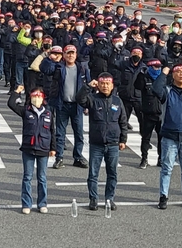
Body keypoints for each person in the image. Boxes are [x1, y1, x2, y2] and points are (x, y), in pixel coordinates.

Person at [76, 73, 128, 212]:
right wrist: (87, 87)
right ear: (98, 84)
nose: (105, 86)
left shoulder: (117, 101)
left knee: (112, 173)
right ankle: (93, 199)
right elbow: (79, 99)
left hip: (113, 143)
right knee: (93, 173)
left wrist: (123, 139)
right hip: (96, 143)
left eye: (107, 83)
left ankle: (109, 198)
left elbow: (123, 121)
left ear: (112, 85)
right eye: (102, 83)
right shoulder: (92, 99)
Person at [152, 64, 182, 210]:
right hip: (169, 136)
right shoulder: (167, 91)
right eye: (178, 72)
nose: (181, 74)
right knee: (166, 168)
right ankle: (163, 196)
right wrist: (163, 73)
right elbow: (155, 89)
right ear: (173, 75)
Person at [39, 44, 90, 169]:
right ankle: (59, 158)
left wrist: (88, 104)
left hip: (77, 106)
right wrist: (50, 58)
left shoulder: (82, 68)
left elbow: (88, 87)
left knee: (79, 134)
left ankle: (78, 157)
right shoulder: (58, 67)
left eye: (73, 53)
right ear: (64, 55)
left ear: (76, 54)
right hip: (62, 105)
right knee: (60, 134)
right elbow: (44, 69)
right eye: (68, 53)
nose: (70, 55)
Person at [7, 86, 54, 214]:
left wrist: (53, 148)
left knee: (42, 177)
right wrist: (16, 92)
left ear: (43, 98)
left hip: (43, 148)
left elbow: (52, 131)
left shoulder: (48, 113)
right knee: (27, 177)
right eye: (34, 95)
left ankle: (42, 203)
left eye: (39, 96)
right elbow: (11, 104)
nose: (36, 98)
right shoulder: (26, 111)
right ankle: (26, 203)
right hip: (28, 148)